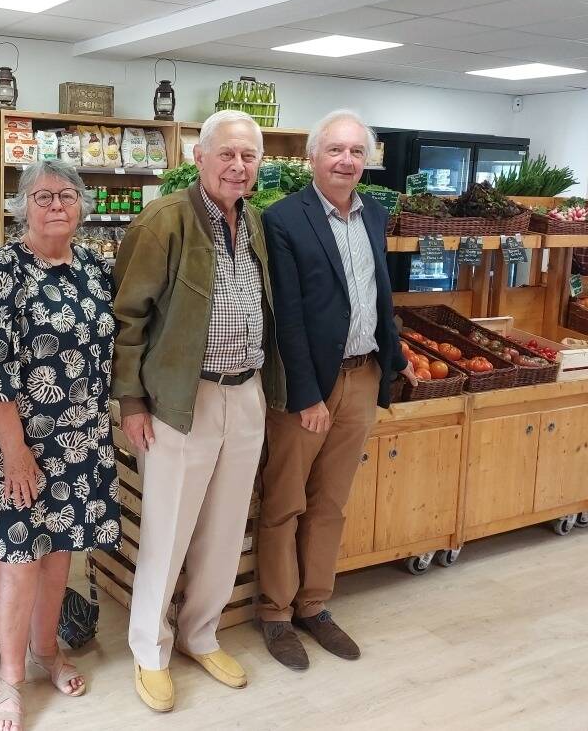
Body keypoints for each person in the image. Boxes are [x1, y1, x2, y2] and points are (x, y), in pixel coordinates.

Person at [111, 110, 287, 713]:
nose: (238, 167)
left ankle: (199, 634)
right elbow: (127, 319)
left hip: (245, 392)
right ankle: (150, 650)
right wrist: (131, 402)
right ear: (201, 158)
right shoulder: (165, 221)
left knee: (224, 526)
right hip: (183, 399)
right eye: (228, 155)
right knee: (167, 529)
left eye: (249, 158)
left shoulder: (254, 222)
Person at [0, 160, 121, 731]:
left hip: (81, 441)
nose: (57, 205)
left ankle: (47, 650)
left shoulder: (94, 271)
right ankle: (9, 677)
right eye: (44, 195)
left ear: (83, 205)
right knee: (19, 561)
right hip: (16, 445)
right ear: (21, 204)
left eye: (68, 195)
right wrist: (15, 451)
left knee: (59, 557)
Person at [257, 109, 419, 671]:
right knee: (284, 503)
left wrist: (395, 359)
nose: (347, 160)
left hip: (364, 373)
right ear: (312, 159)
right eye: (335, 150)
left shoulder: (374, 213)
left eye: (356, 151)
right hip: (308, 386)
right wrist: (305, 395)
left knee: (330, 504)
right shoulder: (282, 218)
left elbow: (380, 296)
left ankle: (315, 605)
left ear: (367, 159)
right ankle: (275, 614)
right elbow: (288, 317)